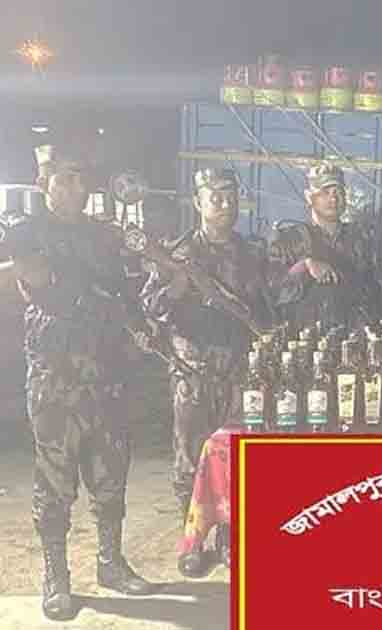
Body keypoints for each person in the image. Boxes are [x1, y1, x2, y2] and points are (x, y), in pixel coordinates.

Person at [0, 141, 156, 621]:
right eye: (63, 178)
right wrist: (16, 267)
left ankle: (111, 564)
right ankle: (57, 577)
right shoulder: (21, 232)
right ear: (43, 183)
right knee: (55, 483)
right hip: (54, 381)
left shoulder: (104, 235)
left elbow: (126, 297)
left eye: (80, 178)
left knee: (111, 478)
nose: (74, 187)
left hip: (107, 376)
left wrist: (141, 329)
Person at [138, 167, 273, 578]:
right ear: (198, 202)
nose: (224, 204)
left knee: (238, 456)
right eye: (215, 197)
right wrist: (177, 287)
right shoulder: (177, 253)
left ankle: (230, 539)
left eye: (230, 196)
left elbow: (266, 307)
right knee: (189, 457)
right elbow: (150, 308)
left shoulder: (253, 253)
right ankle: (193, 541)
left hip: (241, 370)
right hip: (193, 369)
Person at [266, 162, 382, 331]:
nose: (333, 199)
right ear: (309, 197)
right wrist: (305, 266)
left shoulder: (359, 241)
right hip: (302, 336)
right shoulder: (288, 239)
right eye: (325, 192)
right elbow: (272, 290)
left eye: (338, 192)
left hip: (350, 335)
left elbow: (374, 293)